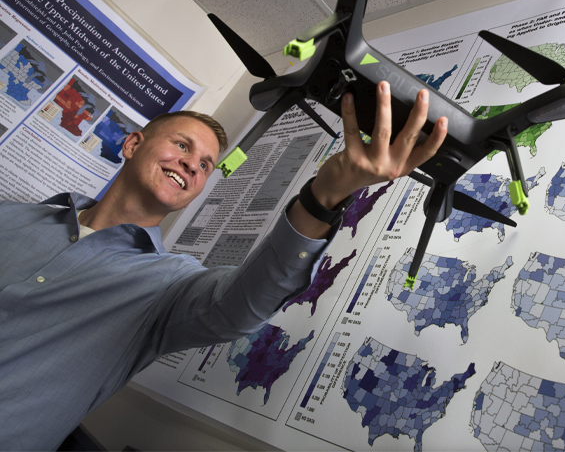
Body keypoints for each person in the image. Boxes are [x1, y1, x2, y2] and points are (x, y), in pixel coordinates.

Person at [0, 82, 447, 450]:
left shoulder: (165, 286)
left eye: (206, 164)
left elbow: (240, 305)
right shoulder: (12, 218)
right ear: (133, 145)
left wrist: (323, 197)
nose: (193, 163)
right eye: (181, 145)